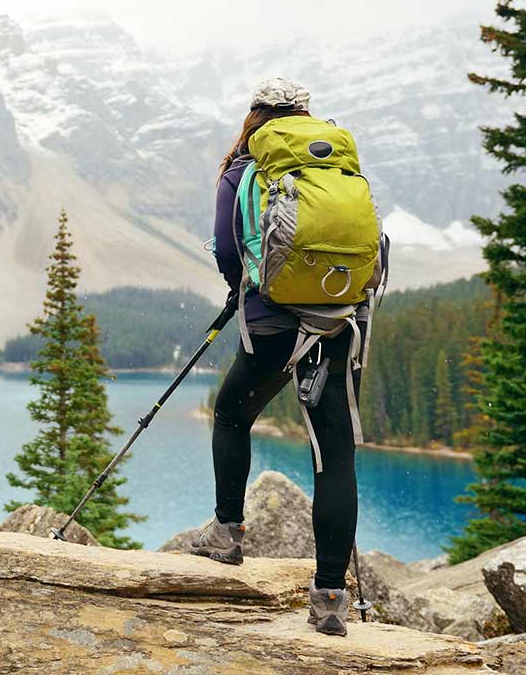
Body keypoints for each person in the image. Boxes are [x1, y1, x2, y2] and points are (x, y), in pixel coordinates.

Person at [188, 77, 376, 638]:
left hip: (272, 321)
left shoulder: (243, 168)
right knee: (333, 454)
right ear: (304, 115)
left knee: (232, 414)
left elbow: (227, 249)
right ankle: (329, 600)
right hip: (338, 320)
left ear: (253, 117)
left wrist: (240, 288)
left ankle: (227, 536)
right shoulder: (336, 164)